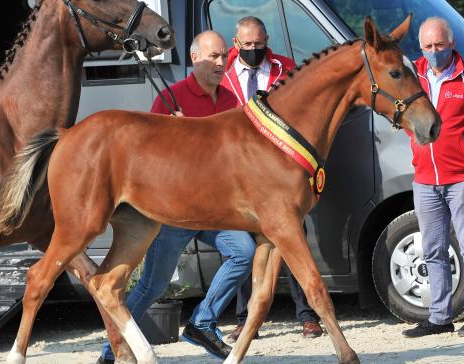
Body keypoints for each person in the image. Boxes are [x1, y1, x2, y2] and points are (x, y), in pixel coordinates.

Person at [97, 31, 256, 364]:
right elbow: (146, 155)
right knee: (152, 287)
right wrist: (175, 136)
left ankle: (202, 323)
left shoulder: (230, 101)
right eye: (213, 56)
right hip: (172, 212)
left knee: (243, 252)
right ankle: (110, 351)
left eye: (224, 55)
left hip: (214, 210)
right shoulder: (171, 97)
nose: (220, 62)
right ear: (195, 58)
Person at [220, 16, 323, 342]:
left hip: (280, 170)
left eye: (259, 44)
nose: (254, 50)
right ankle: (245, 318)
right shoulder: (223, 75)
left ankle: (306, 315)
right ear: (236, 44)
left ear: (267, 41)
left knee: (293, 239)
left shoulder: (286, 69)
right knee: (244, 247)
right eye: (247, 45)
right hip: (236, 171)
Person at [400, 17, 464, 338]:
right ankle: (440, 317)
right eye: (427, 46)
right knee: (433, 249)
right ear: (420, 47)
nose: (434, 51)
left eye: (440, 45)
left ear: (452, 44)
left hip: (463, 177)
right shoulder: (414, 75)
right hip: (424, 178)